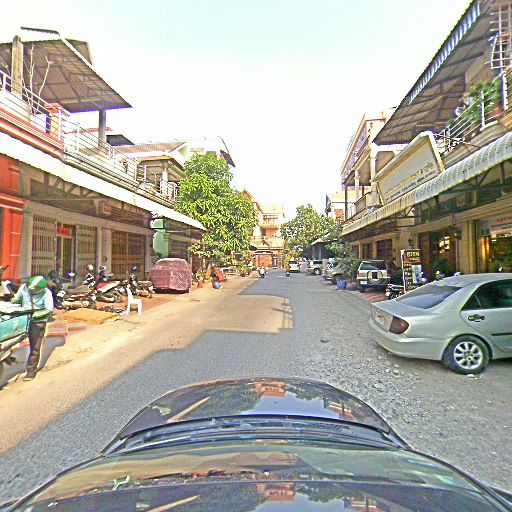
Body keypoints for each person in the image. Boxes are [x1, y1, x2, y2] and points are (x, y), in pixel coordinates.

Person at [11, 276, 54, 381]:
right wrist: (12, 302)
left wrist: (36, 315)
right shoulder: (23, 287)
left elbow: (48, 309)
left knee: (35, 346)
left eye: (34, 290)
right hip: (24, 318)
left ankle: (31, 370)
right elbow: (17, 299)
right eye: (31, 289)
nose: (32, 291)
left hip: (38, 321)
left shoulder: (47, 293)